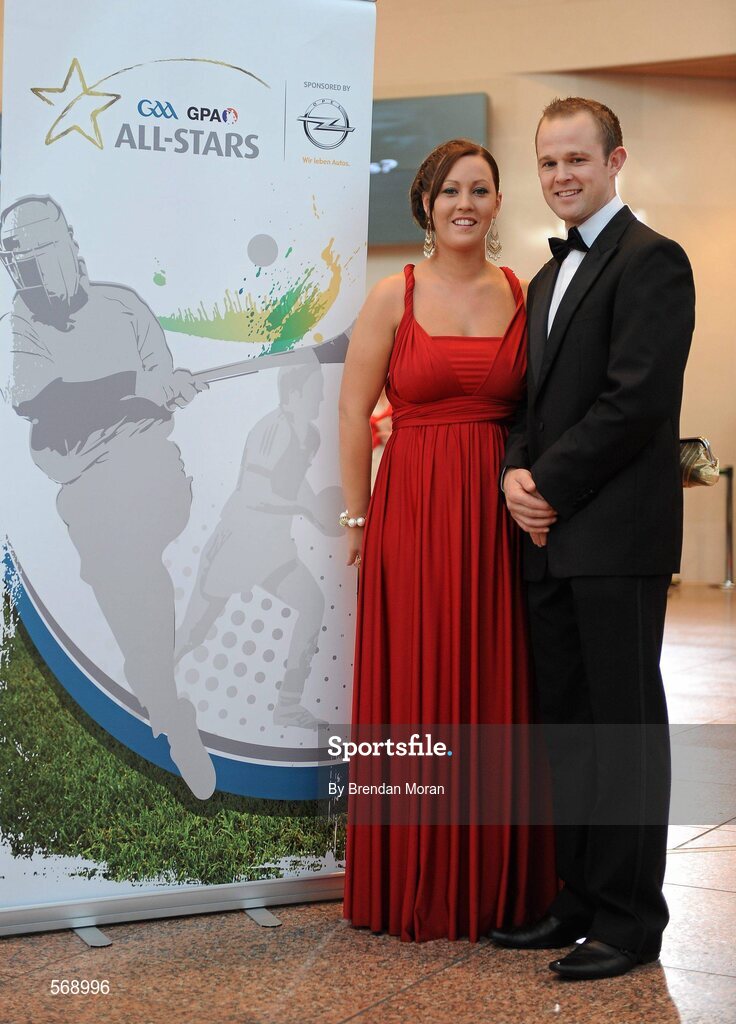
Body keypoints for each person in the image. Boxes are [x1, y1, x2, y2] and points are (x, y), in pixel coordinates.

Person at [493, 98, 695, 979]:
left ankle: (628, 921)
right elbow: (526, 405)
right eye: (548, 163)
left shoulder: (655, 262)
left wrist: (548, 484)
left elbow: (636, 399)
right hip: (549, 540)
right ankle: (575, 900)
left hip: (615, 537)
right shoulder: (543, 279)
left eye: (577, 159)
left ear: (616, 161)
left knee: (622, 730)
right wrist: (514, 474)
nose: (562, 176)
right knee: (567, 730)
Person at [339, 139, 557, 942]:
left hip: (500, 515)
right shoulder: (392, 295)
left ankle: (499, 884)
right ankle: (417, 881)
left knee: (500, 686)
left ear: (499, 203)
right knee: (421, 680)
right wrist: (357, 520)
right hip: (416, 512)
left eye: (482, 189)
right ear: (426, 205)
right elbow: (351, 411)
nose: (466, 203)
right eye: (450, 191)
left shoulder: (519, 291)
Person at [2, 194, 216, 800]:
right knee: (119, 560)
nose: (26, 271)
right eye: (12, 259)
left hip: (152, 471)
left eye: (36, 254)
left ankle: (159, 695)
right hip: (85, 486)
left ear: (68, 245)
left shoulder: (123, 306)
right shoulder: (18, 322)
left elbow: (158, 384)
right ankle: (160, 694)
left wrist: (163, 389)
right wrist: (136, 388)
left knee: (125, 548)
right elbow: (39, 400)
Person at [175, 361, 343, 730]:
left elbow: (294, 484)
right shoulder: (271, 430)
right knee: (192, 634)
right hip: (236, 544)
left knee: (312, 604)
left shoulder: (309, 436)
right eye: (315, 389)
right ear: (294, 393)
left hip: (272, 549)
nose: (320, 396)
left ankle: (287, 707)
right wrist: (305, 508)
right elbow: (253, 492)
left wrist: (319, 511)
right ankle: (151, 687)